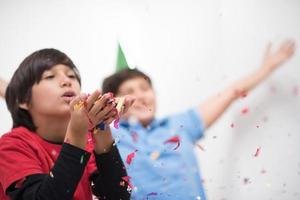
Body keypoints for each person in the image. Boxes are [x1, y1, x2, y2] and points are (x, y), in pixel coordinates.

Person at [101, 40, 295, 200]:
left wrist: (267, 68)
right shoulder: (108, 136)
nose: (140, 96)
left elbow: (231, 93)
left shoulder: (179, 125)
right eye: (129, 92)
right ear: (115, 100)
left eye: (144, 88)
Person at [0, 48, 135, 200]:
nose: (67, 81)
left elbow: (118, 196)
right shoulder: (12, 145)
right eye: (50, 76)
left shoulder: (87, 143)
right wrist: (77, 133)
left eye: (72, 75)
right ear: (23, 100)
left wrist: (101, 128)